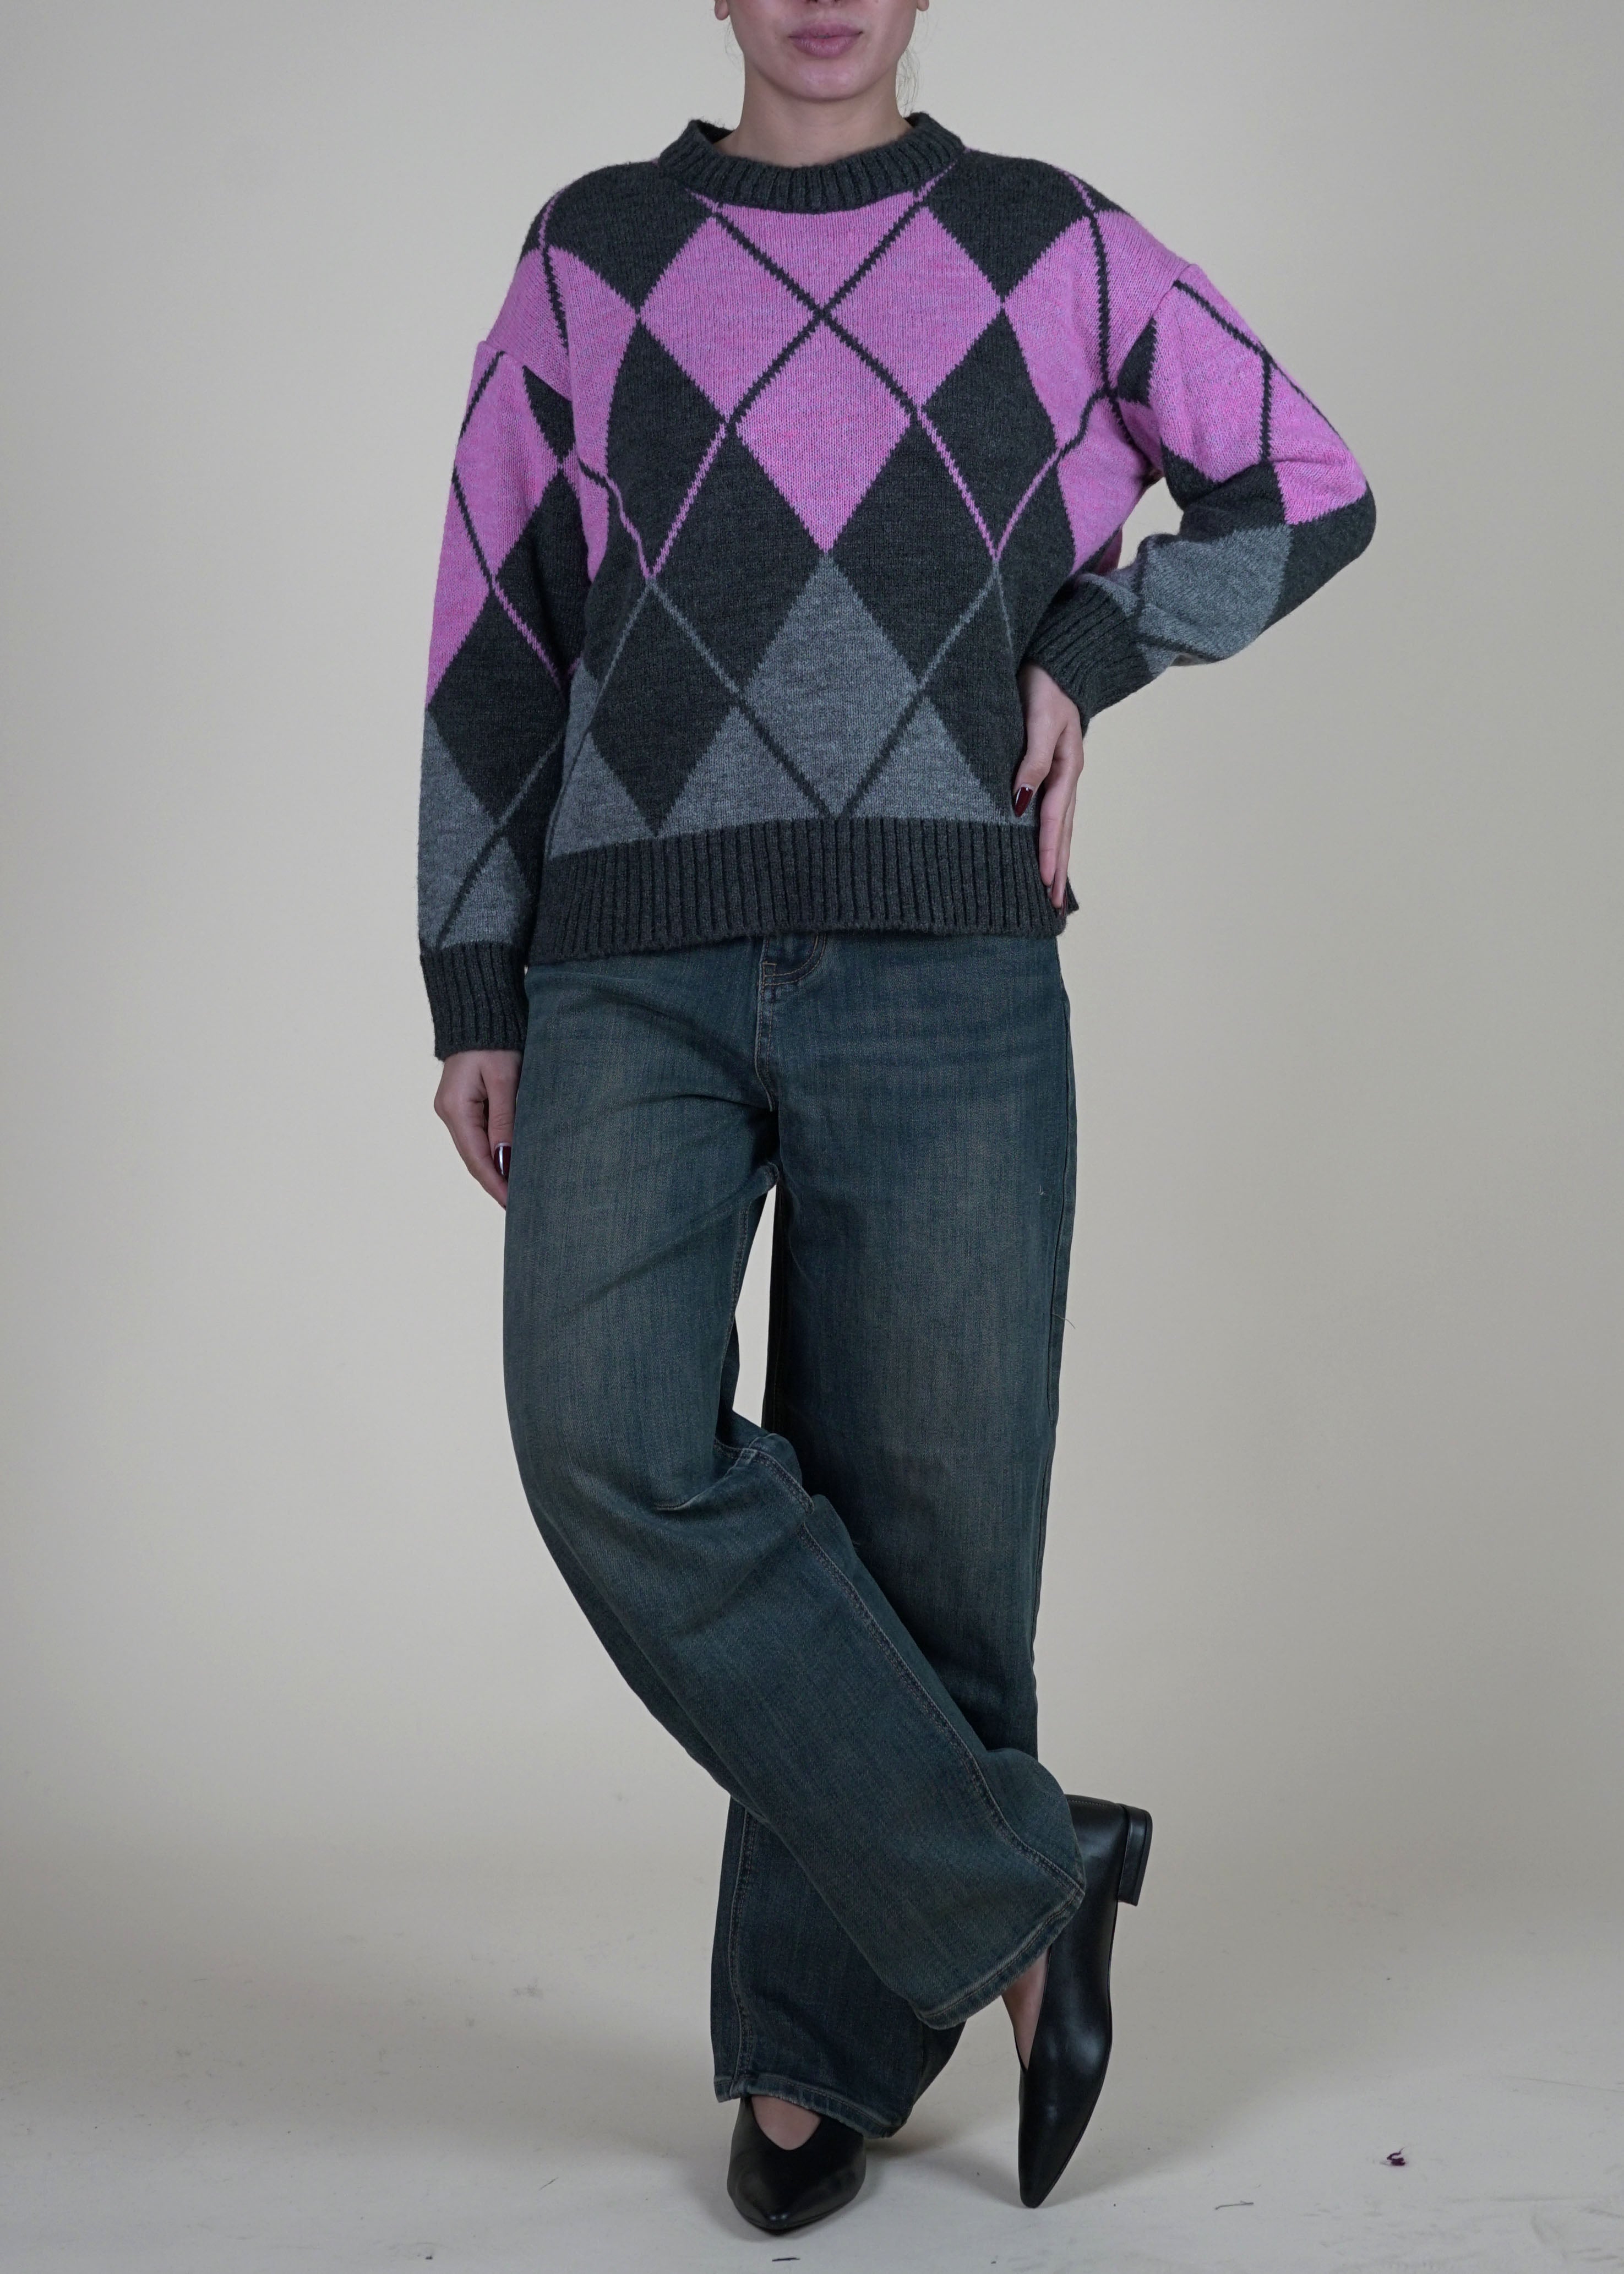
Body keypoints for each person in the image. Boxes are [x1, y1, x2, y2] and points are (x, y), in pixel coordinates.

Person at [417, 0, 1374, 2234]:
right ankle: (1031, 1887)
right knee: (603, 1439)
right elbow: (495, 628)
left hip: (950, 958)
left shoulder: (1051, 243)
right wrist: (476, 971)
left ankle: (808, 2059)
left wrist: (1094, 648)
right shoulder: (593, 252)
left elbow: (1307, 481)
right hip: (631, 961)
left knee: (928, 1537)